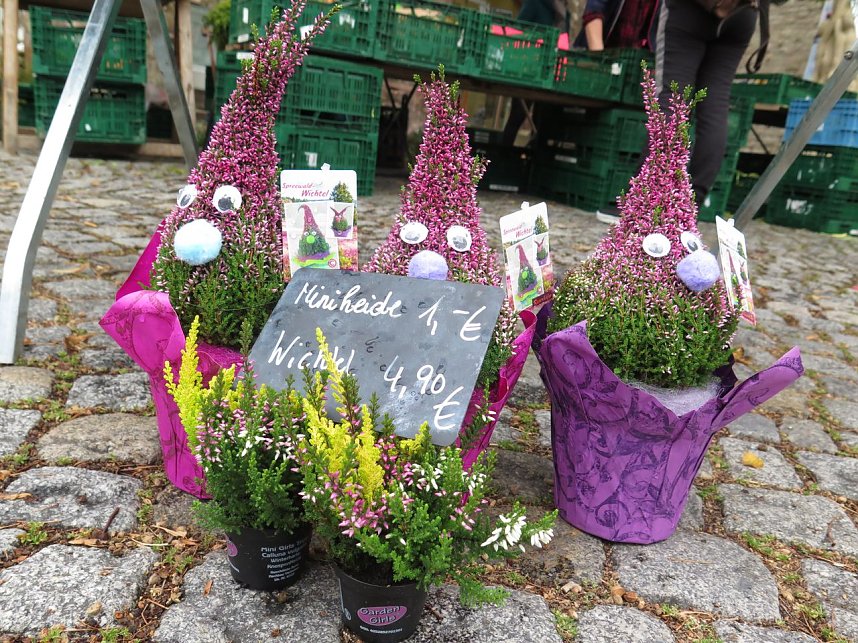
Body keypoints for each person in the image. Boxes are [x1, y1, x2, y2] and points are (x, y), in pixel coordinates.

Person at [585, 0, 764, 222]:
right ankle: (687, 210)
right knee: (715, 105)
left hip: (689, 11)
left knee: (672, 100)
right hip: (743, 14)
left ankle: (642, 205)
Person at [501, 0, 571, 146]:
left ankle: (532, 158)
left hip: (551, 73)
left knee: (543, 121)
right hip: (528, 70)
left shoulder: (565, 14)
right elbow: (518, 30)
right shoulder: (535, 3)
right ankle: (503, 156)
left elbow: (564, 42)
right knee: (517, 116)